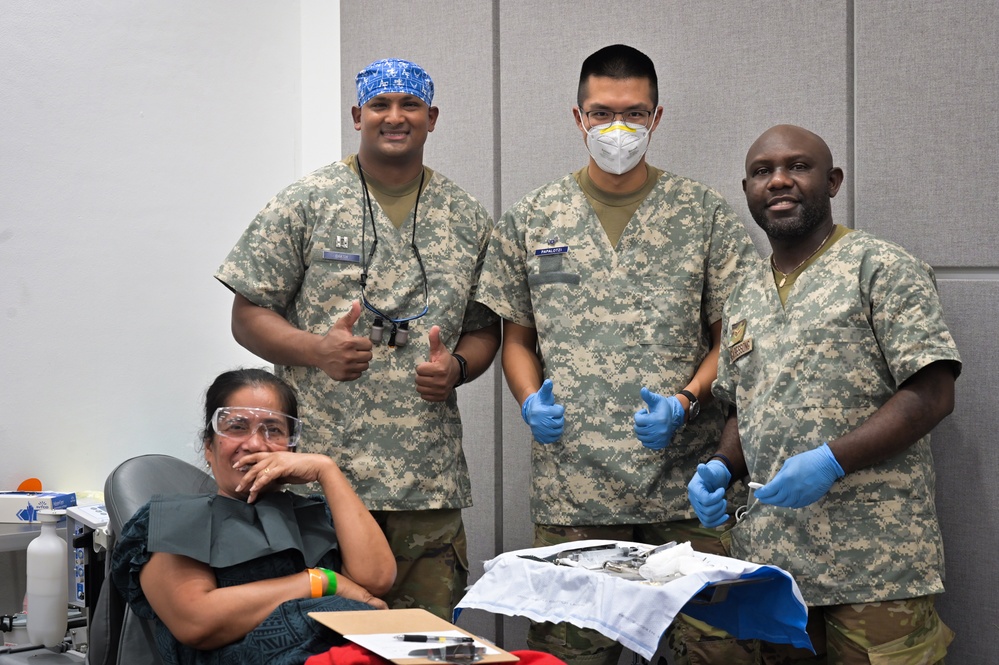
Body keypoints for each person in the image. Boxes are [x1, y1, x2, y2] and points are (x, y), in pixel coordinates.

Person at [474, 44, 756, 665]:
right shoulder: (532, 217)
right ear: (578, 117)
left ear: (657, 117)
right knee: (569, 655)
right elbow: (516, 339)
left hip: (689, 485)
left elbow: (730, 339)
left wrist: (686, 400)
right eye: (602, 113)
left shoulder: (703, 214)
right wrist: (528, 400)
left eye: (633, 113)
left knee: (715, 652)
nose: (617, 128)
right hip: (574, 488)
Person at [214, 58, 500, 619]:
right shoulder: (307, 201)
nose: (395, 118)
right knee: (317, 643)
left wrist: (460, 369)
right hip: (315, 483)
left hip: (425, 483)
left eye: (410, 105)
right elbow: (247, 313)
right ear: (357, 115)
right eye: (380, 105)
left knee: (427, 644)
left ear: (432, 117)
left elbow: (486, 331)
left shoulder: (467, 217)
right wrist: (315, 349)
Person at [686, 124, 961, 663]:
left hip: (877, 566)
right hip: (776, 569)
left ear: (832, 181)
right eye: (763, 172)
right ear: (747, 191)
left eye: (798, 167)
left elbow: (932, 393)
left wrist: (832, 460)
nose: (780, 181)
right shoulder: (743, 292)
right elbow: (745, 408)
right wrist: (721, 464)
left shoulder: (880, 268)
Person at [110, 368, 397, 665]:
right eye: (237, 427)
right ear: (209, 447)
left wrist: (327, 470)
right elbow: (197, 621)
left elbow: (375, 581)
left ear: (292, 448)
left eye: (273, 430)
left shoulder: (316, 514)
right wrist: (320, 581)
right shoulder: (173, 519)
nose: (256, 444)